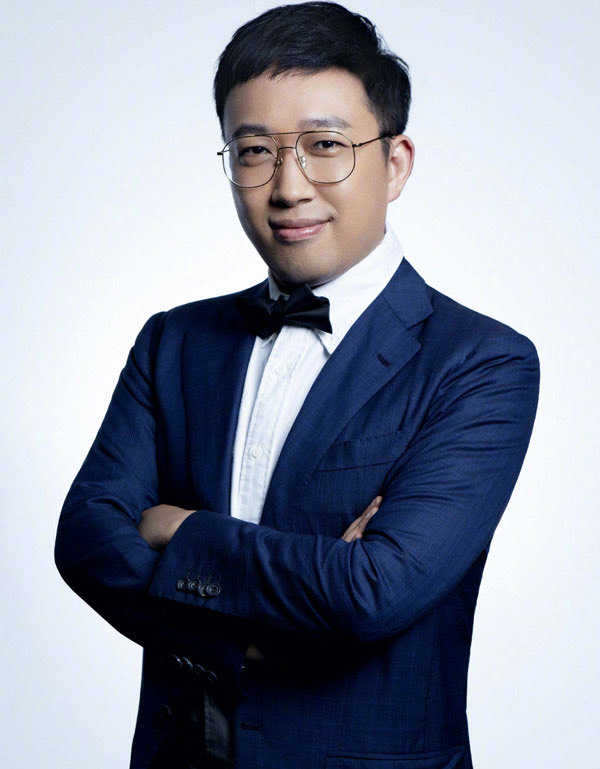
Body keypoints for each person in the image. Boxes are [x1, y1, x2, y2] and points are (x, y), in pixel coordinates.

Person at [54, 3, 540, 768]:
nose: (287, 186)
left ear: (396, 162)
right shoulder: (173, 342)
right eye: (254, 151)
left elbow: (373, 591)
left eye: (325, 146)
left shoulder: (482, 362)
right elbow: (86, 538)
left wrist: (179, 531)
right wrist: (248, 632)